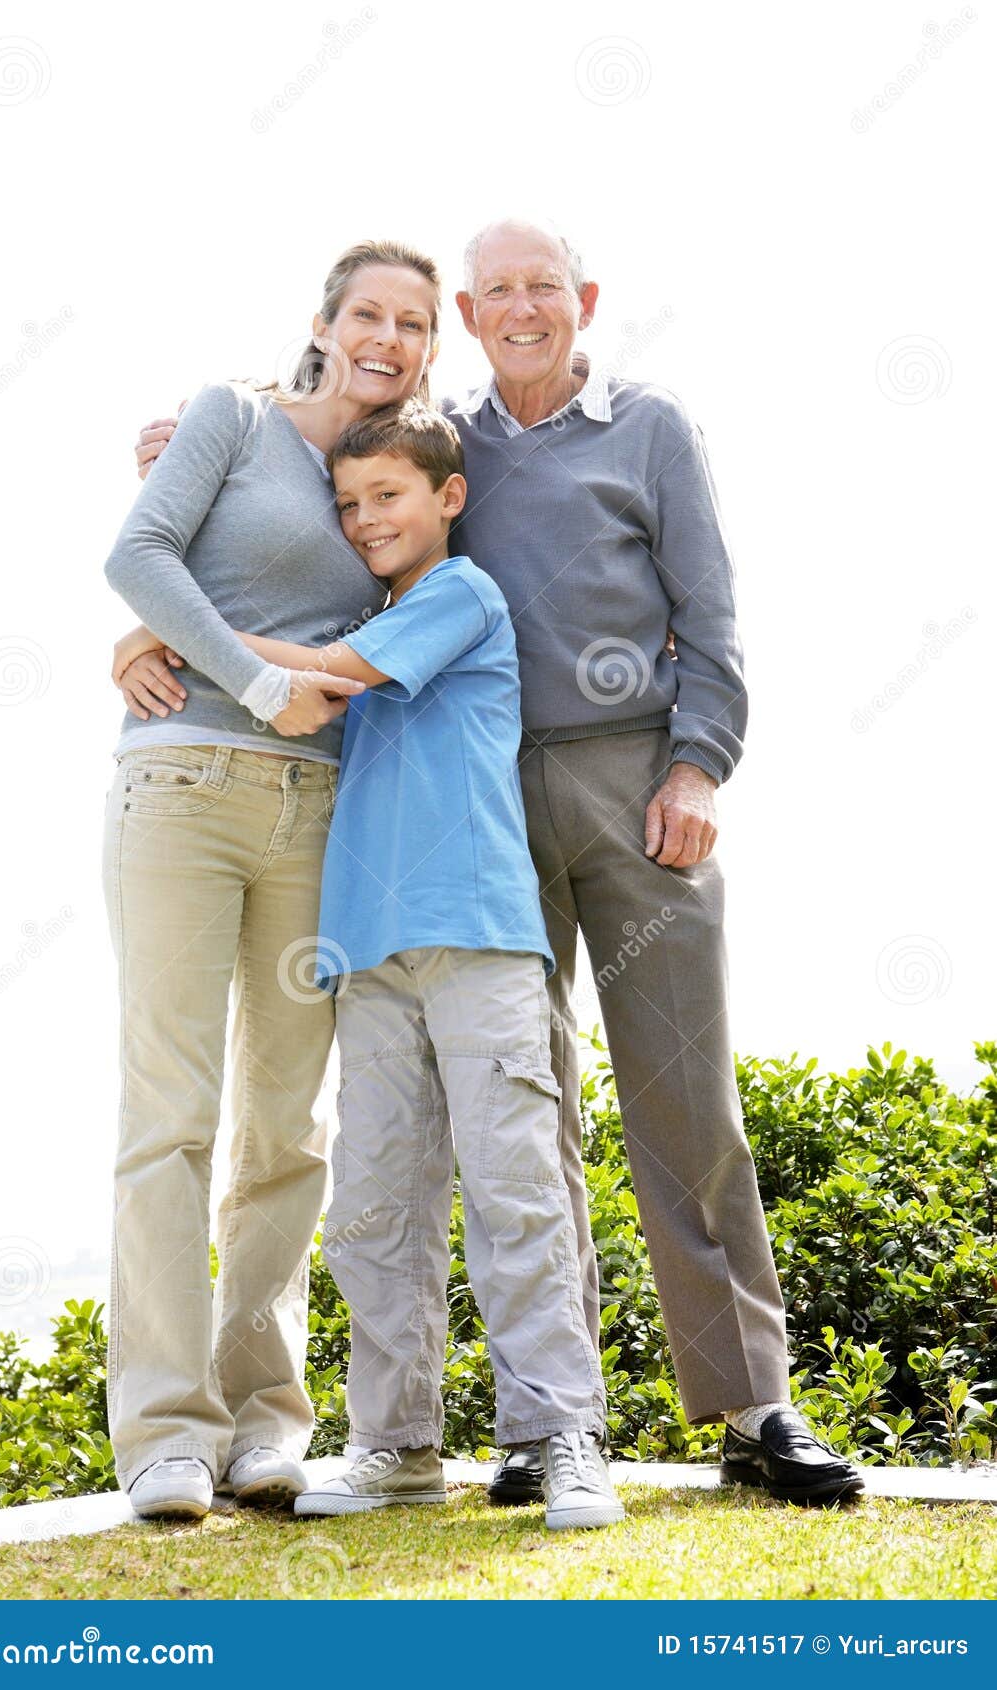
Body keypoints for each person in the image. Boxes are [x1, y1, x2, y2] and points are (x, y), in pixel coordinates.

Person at [121, 218, 863, 1509]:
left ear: (581, 300)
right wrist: (151, 613)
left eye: (541, 289)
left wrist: (697, 763)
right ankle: (540, 1427)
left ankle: (750, 1405)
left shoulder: (649, 426)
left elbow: (711, 608)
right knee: (527, 1115)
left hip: (631, 778)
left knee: (680, 1093)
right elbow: (310, 505)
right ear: (469, 314)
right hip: (468, 798)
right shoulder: (431, 437)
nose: (517, 310)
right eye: (493, 294)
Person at [114, 400, 624, 1533]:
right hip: (366, 948)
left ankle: (561, 1435)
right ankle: (396, 1443)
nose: (362, 519)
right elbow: (285, 661)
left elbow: (329, 671)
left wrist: (163, 634)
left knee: (512, 1186)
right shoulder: (371, 606)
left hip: (477, 932)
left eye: (386, 495)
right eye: (345, 503)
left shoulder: (458, 596)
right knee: (374, 1208)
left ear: (447, 498)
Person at [101, 239, 442, 1521]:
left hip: (322, 813)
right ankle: (167, 1435)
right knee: (169, 1117)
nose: (388, 335)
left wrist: (199, 635)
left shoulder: (395, 475)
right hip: (181, 787)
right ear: (324, 321)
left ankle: (261, 1423)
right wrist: (248, 679)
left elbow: (415, 624)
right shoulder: (229, 417)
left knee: (285, 1127)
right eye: (368, 312)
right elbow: (140, 558)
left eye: (414, 321)